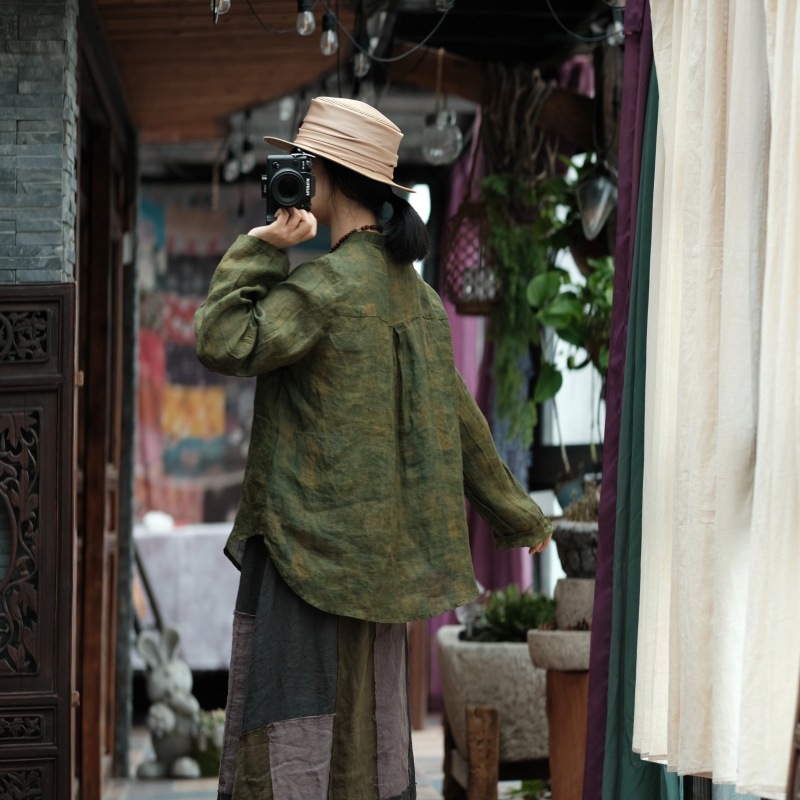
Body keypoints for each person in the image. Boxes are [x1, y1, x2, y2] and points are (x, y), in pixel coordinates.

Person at [195, 97, 553, 800]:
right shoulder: (421, 301)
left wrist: (264, 246)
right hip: (379, 566)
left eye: (304, 163)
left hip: (303, 553)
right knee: (369, 735)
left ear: (326, 175)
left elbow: (221, 338)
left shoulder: (322, 287)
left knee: (291, 732)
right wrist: (521, 517)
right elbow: (464, 425)